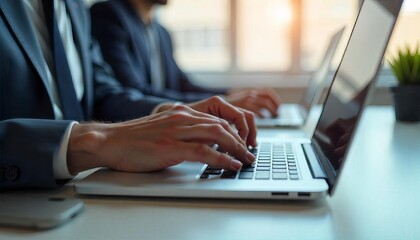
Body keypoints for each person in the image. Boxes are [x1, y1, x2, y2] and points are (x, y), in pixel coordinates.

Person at [0, 0, 257, 190]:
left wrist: (172, 112)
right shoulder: (108, 14)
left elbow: (102, 93)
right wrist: (91, 142)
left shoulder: (73, 7)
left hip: (87, 185)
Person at [90, 0, 282, 118]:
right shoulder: (109, 15)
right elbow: (133, 92)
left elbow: (182, 84)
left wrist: (230, 96)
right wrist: (223, 104)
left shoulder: (161, 31)